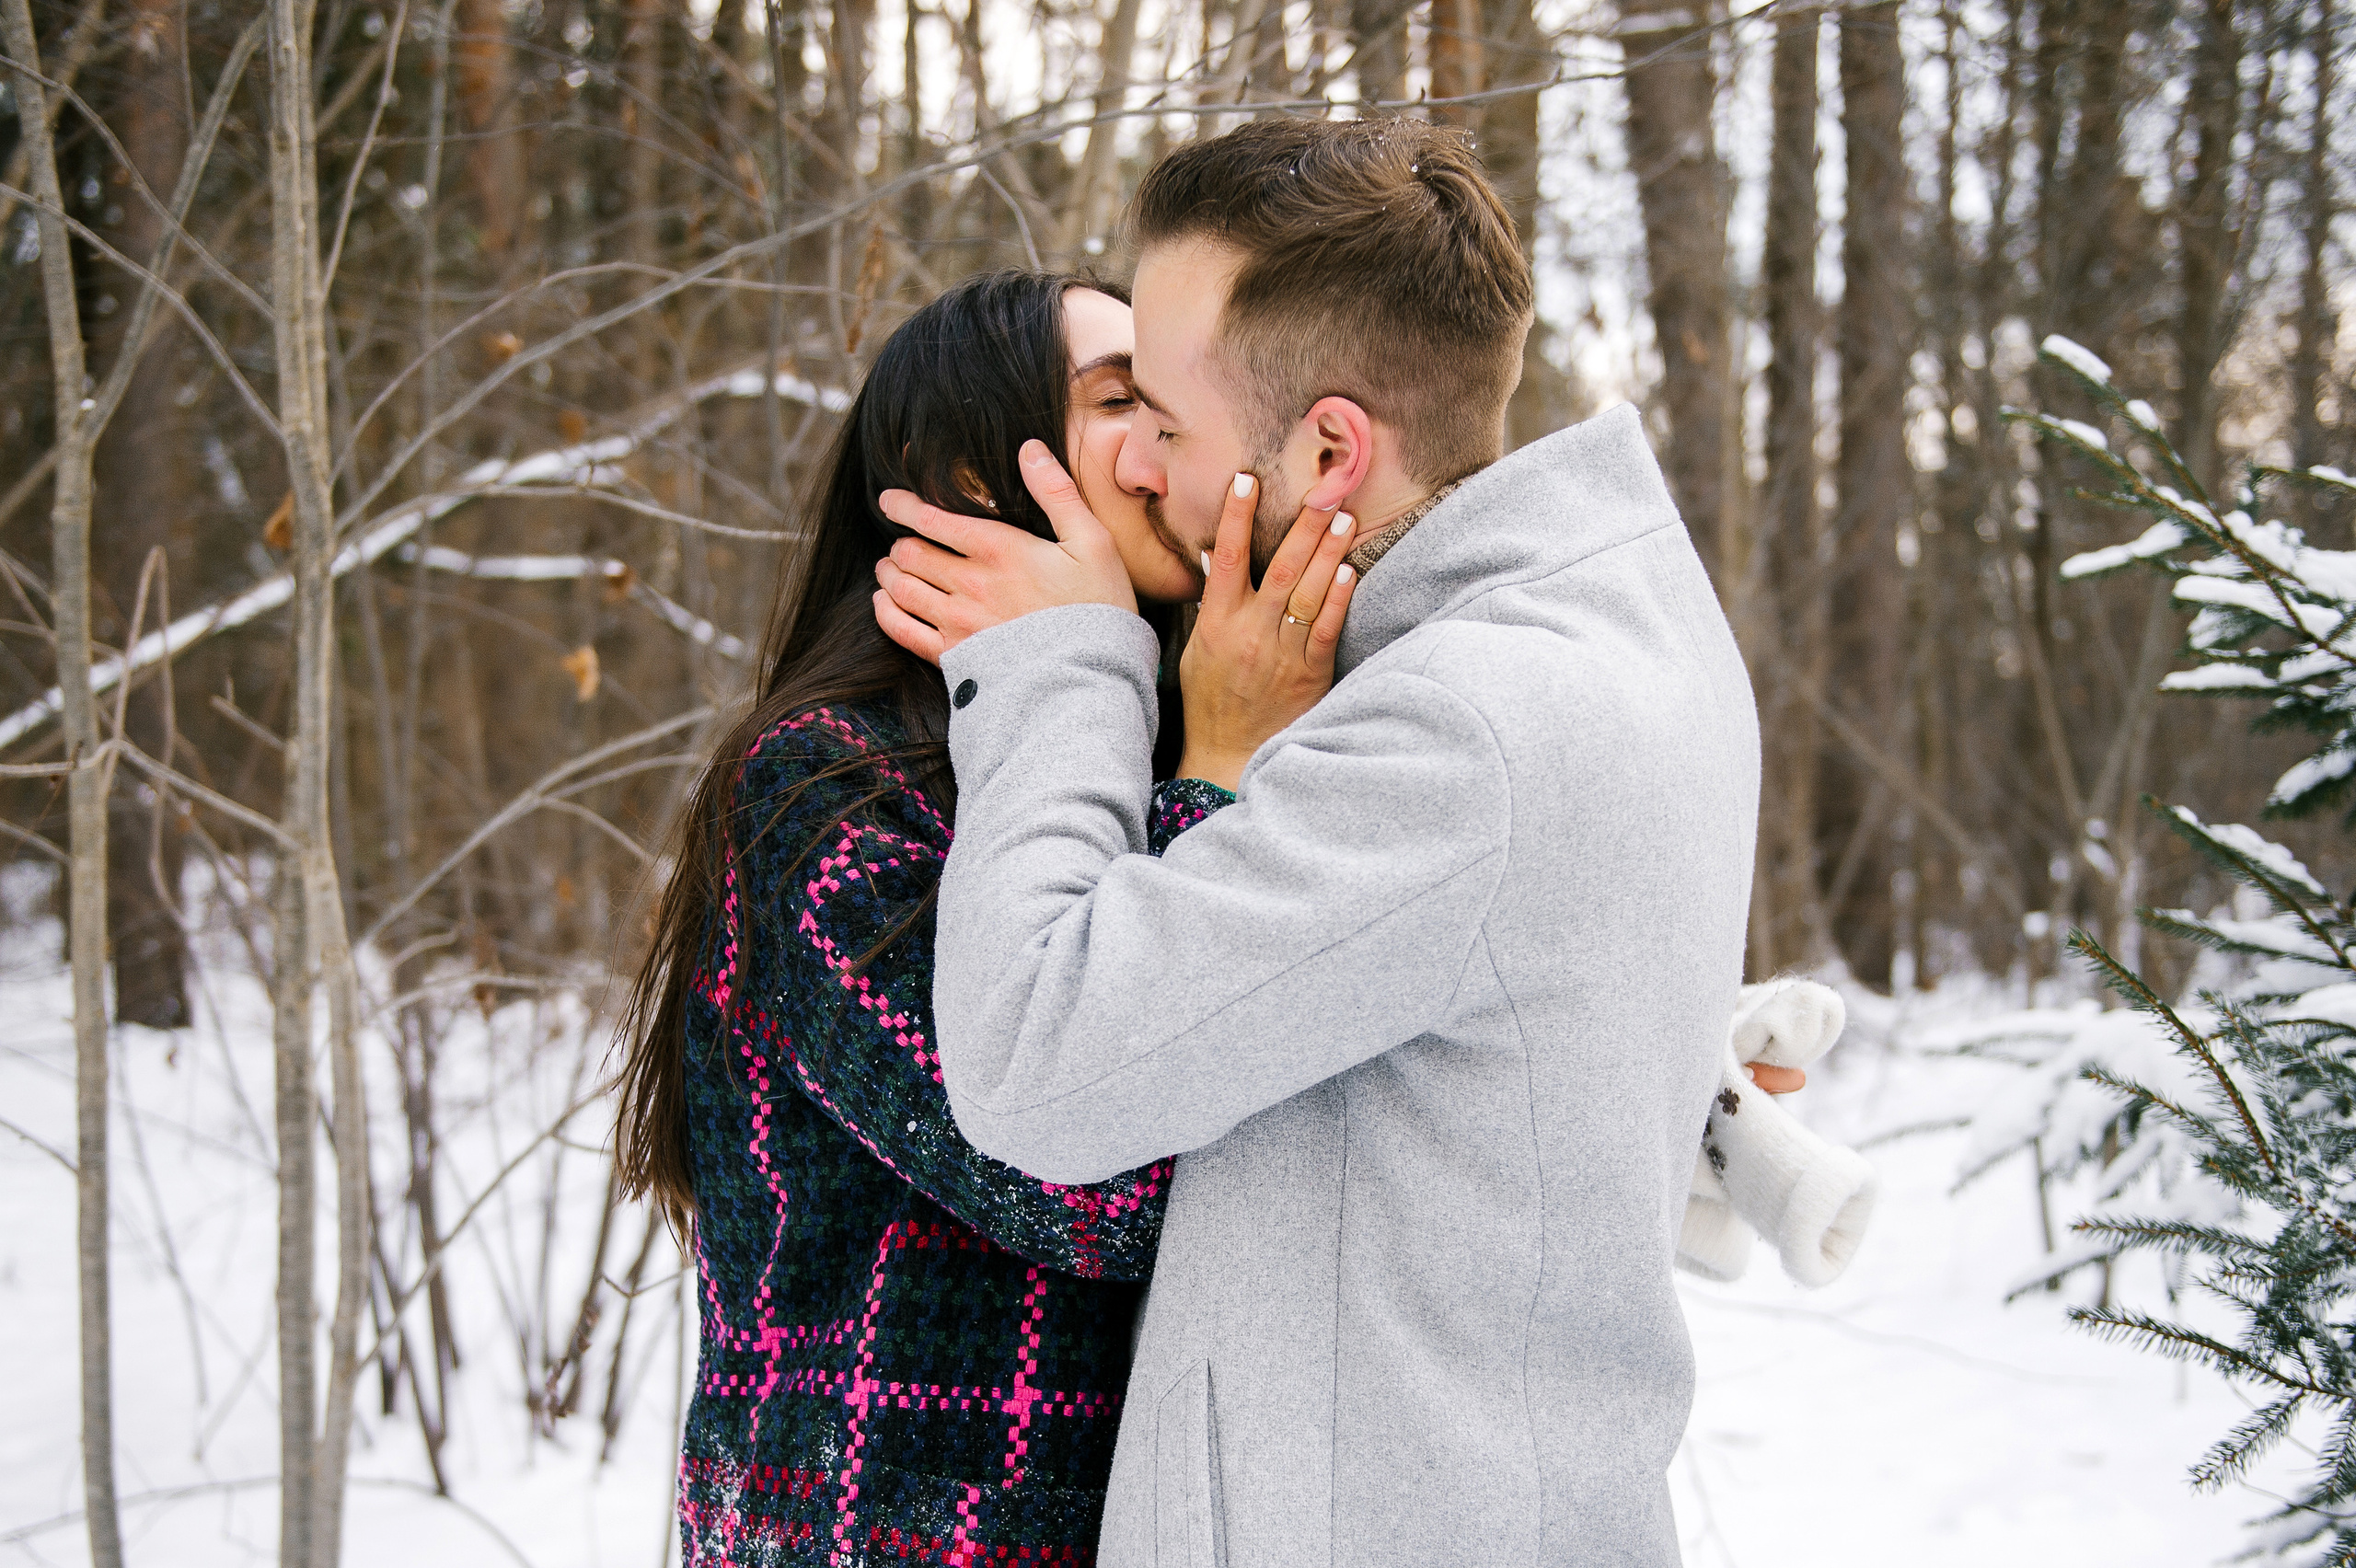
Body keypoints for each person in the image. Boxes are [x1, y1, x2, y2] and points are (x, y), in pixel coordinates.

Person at [872, 117, 1761, 1563]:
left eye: (1163, 418)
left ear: (1331, 448)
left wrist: (1065, 660)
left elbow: (1037, 1067)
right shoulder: (1622, 629)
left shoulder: (1458, 733)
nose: (1143, 470)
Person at [611, 270, 1359, 1565]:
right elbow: (1090, 1179)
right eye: (1121, 398)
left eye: (1179, 400)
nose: (1172, 440)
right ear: (958, 467)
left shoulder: (1181, 728)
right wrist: (1217, 778)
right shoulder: (823, 785)